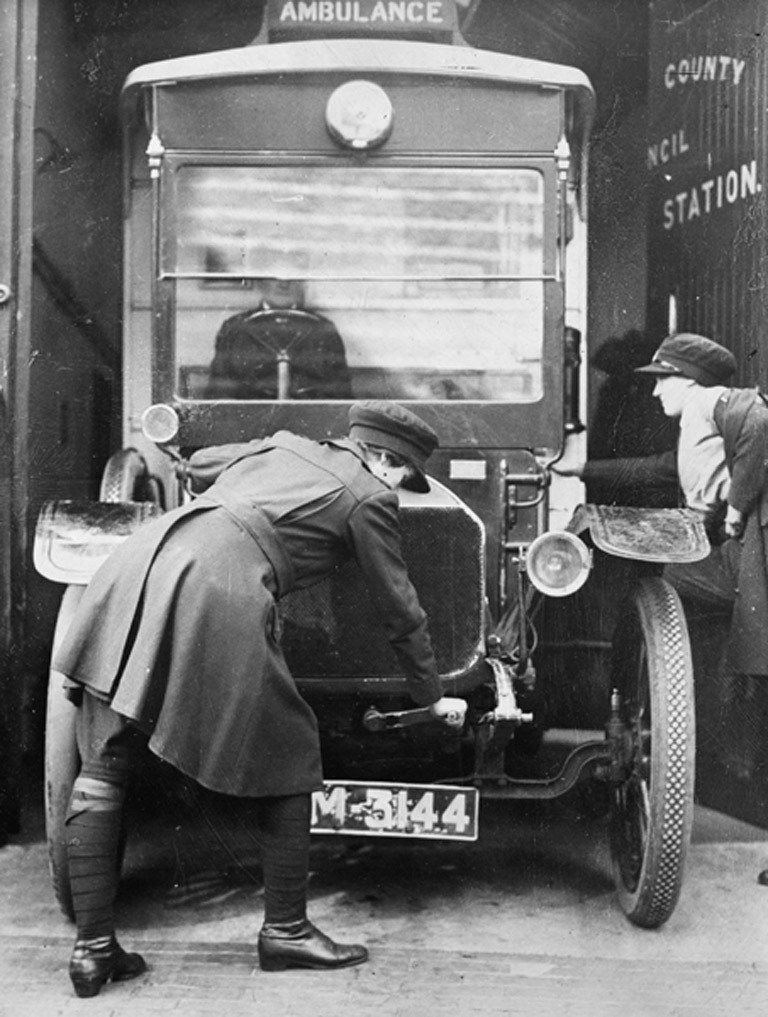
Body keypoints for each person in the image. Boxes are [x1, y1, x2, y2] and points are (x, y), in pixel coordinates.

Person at [53, 400, 467, 998]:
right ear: (383, 458)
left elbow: (201, 464)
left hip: (140, 562)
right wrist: (432, 696)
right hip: (215, 584)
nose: (403, 486)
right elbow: (399, 611)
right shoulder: (370, 497)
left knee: (106, 759)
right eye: (405, 473)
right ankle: (286, 931)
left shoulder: (286, 443)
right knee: (293, 751)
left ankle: (92, 952)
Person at [555, 332, 768, 884]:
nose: (654, 395)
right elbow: (658, 470)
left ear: (689, 381)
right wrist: (580, 473)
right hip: (738, 562)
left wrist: (737, 510)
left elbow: (762, 424)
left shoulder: (713, 402)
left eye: (661, 382)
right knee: (665, 586)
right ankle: (662, 691)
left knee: (663, 584)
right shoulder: (695, 424)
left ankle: (648, 688)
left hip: (752, 556)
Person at [206, 278, 353, 400]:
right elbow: (219, 394)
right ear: (260, 282)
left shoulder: (323, 329)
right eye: (274, 278)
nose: (283, 284)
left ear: (301, 283)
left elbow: (340, 395)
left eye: (292, 277)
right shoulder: (235, 328)